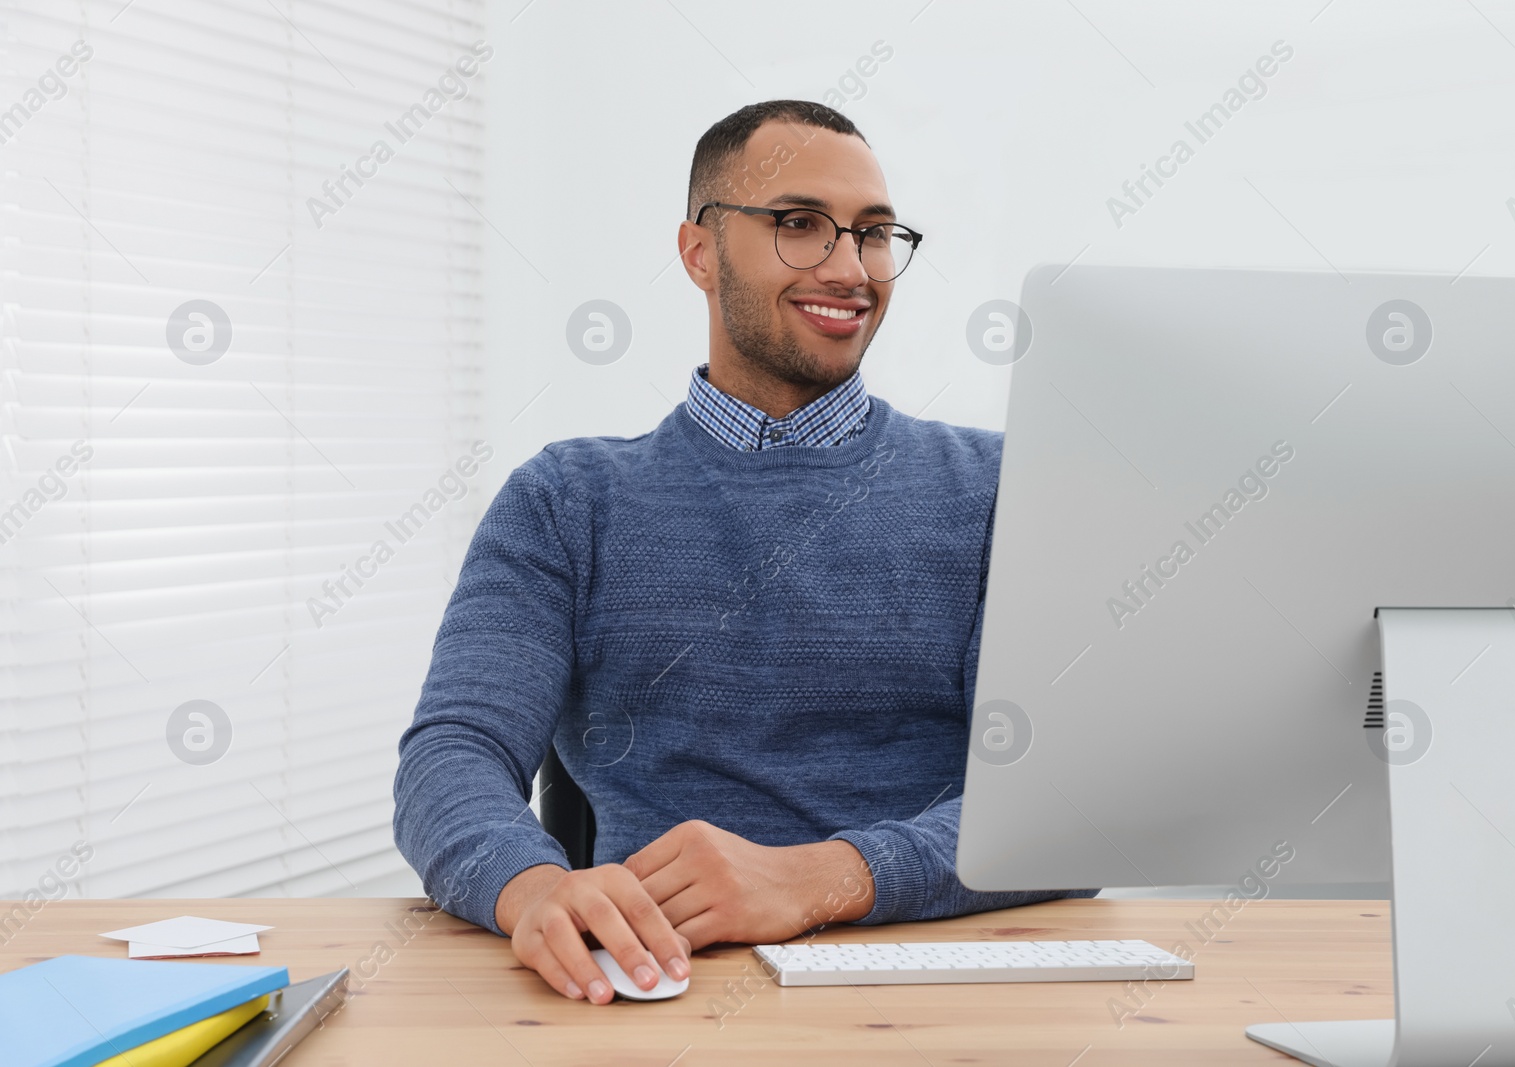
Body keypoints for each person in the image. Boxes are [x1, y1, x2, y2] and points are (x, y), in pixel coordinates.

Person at [392, 99, 1096, 1007]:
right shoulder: (568, 499)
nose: (850, 268)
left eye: (875, 234)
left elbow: (1062, 806)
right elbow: (453, 751)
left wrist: (822, 879)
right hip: (655, 988)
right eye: (799, 224)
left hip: (946, 988)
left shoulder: (999, 488)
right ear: (698, 251)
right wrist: (534, 890)